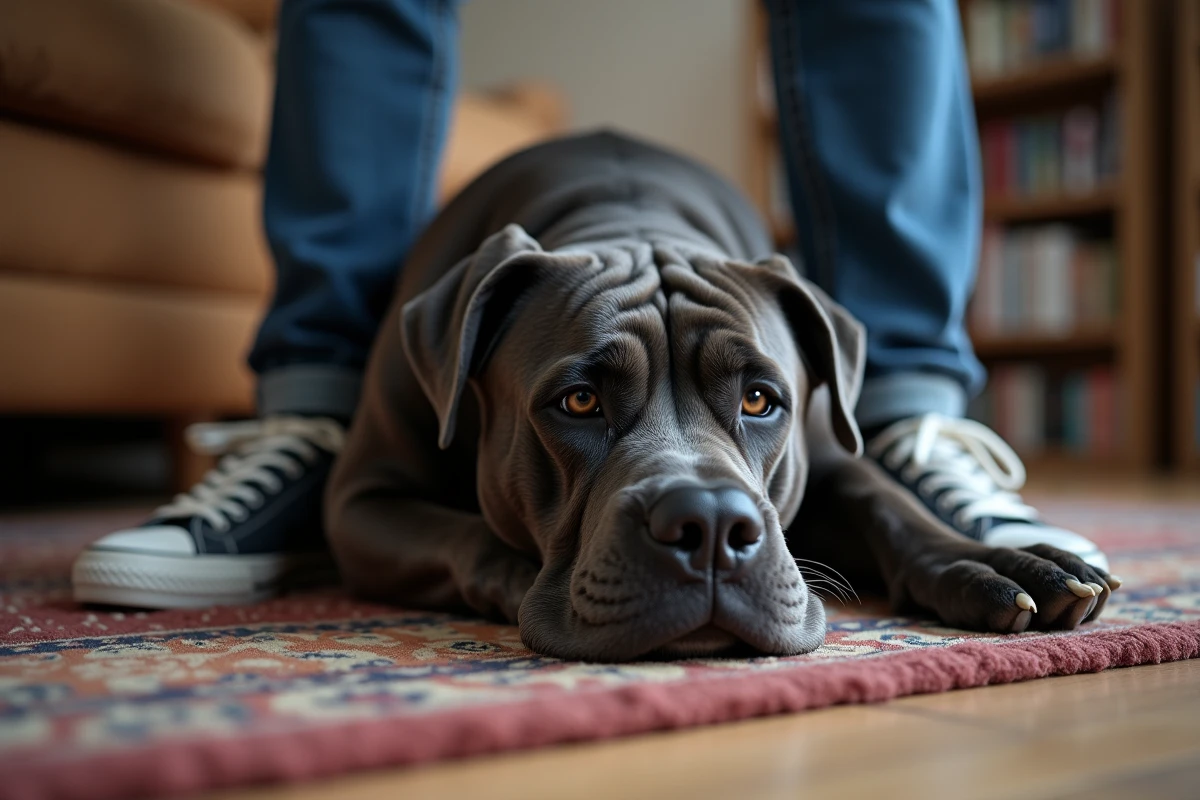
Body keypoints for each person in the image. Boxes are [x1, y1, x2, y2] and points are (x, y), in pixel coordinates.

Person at [71, 0, 1108, 609]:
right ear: (467, 374)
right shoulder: (473, 310)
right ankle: (317, 403)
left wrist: (919, 546)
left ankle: (905, 417)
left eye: (755, 403)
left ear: (804, 368)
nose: (705, 502)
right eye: (580, 403)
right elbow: (373, 507)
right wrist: (499, 568)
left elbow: (820, 474)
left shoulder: (760, 309)